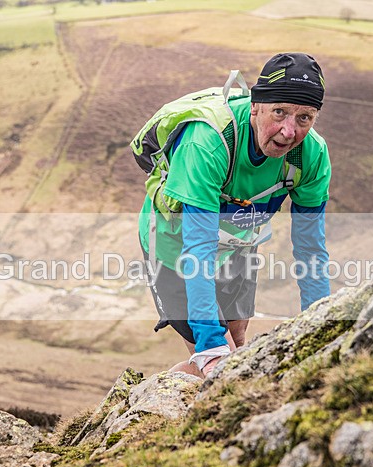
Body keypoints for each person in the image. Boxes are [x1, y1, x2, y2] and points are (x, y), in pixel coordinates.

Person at [138, 52, 332, 378]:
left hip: (237, 244)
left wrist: (321, 328)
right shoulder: (208, 142)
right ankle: (151, 406)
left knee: (240, 344)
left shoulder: (311, 155)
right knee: (220, 361)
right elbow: (197, 247)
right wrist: (209, 343)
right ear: (255, 105)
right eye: (280, 112)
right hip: (176, 248)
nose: (288, 131)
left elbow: (310, 247)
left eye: (304, 118)